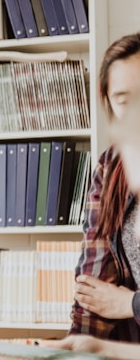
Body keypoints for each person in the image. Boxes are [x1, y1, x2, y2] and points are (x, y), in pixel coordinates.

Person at [69, 32, 140, 341]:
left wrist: (130, 303)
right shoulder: (111, 167)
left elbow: (117, 301)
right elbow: (93, 284)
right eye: (124, 101)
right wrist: (76, 347)